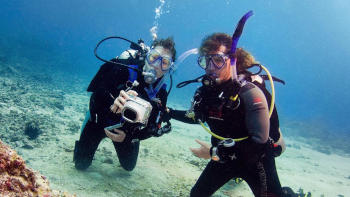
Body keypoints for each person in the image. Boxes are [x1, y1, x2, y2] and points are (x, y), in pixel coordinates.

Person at [167, 11, 288, 196]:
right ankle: (235, 176)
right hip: (224, 158)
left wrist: (214, 151)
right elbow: (196, 117)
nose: (210, 67)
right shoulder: (206, 92)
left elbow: (259, 143)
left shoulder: (249, 92)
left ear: (232, 62)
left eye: (217, 60)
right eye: (206, 60)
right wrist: (168, 111)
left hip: (257, 160)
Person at [73, 37, 176, 171]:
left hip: (126, 131)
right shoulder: (123, 69)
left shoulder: (160, 92)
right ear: (146, 56)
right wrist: (112, 101)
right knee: (80, 165)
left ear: (169, 68)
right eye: (154, 57)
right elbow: (96, 95)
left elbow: (153, 127)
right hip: (100, 122)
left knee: (129, 167)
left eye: (165, 62)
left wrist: (129, 137)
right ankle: (88, 121)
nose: (156, 65)